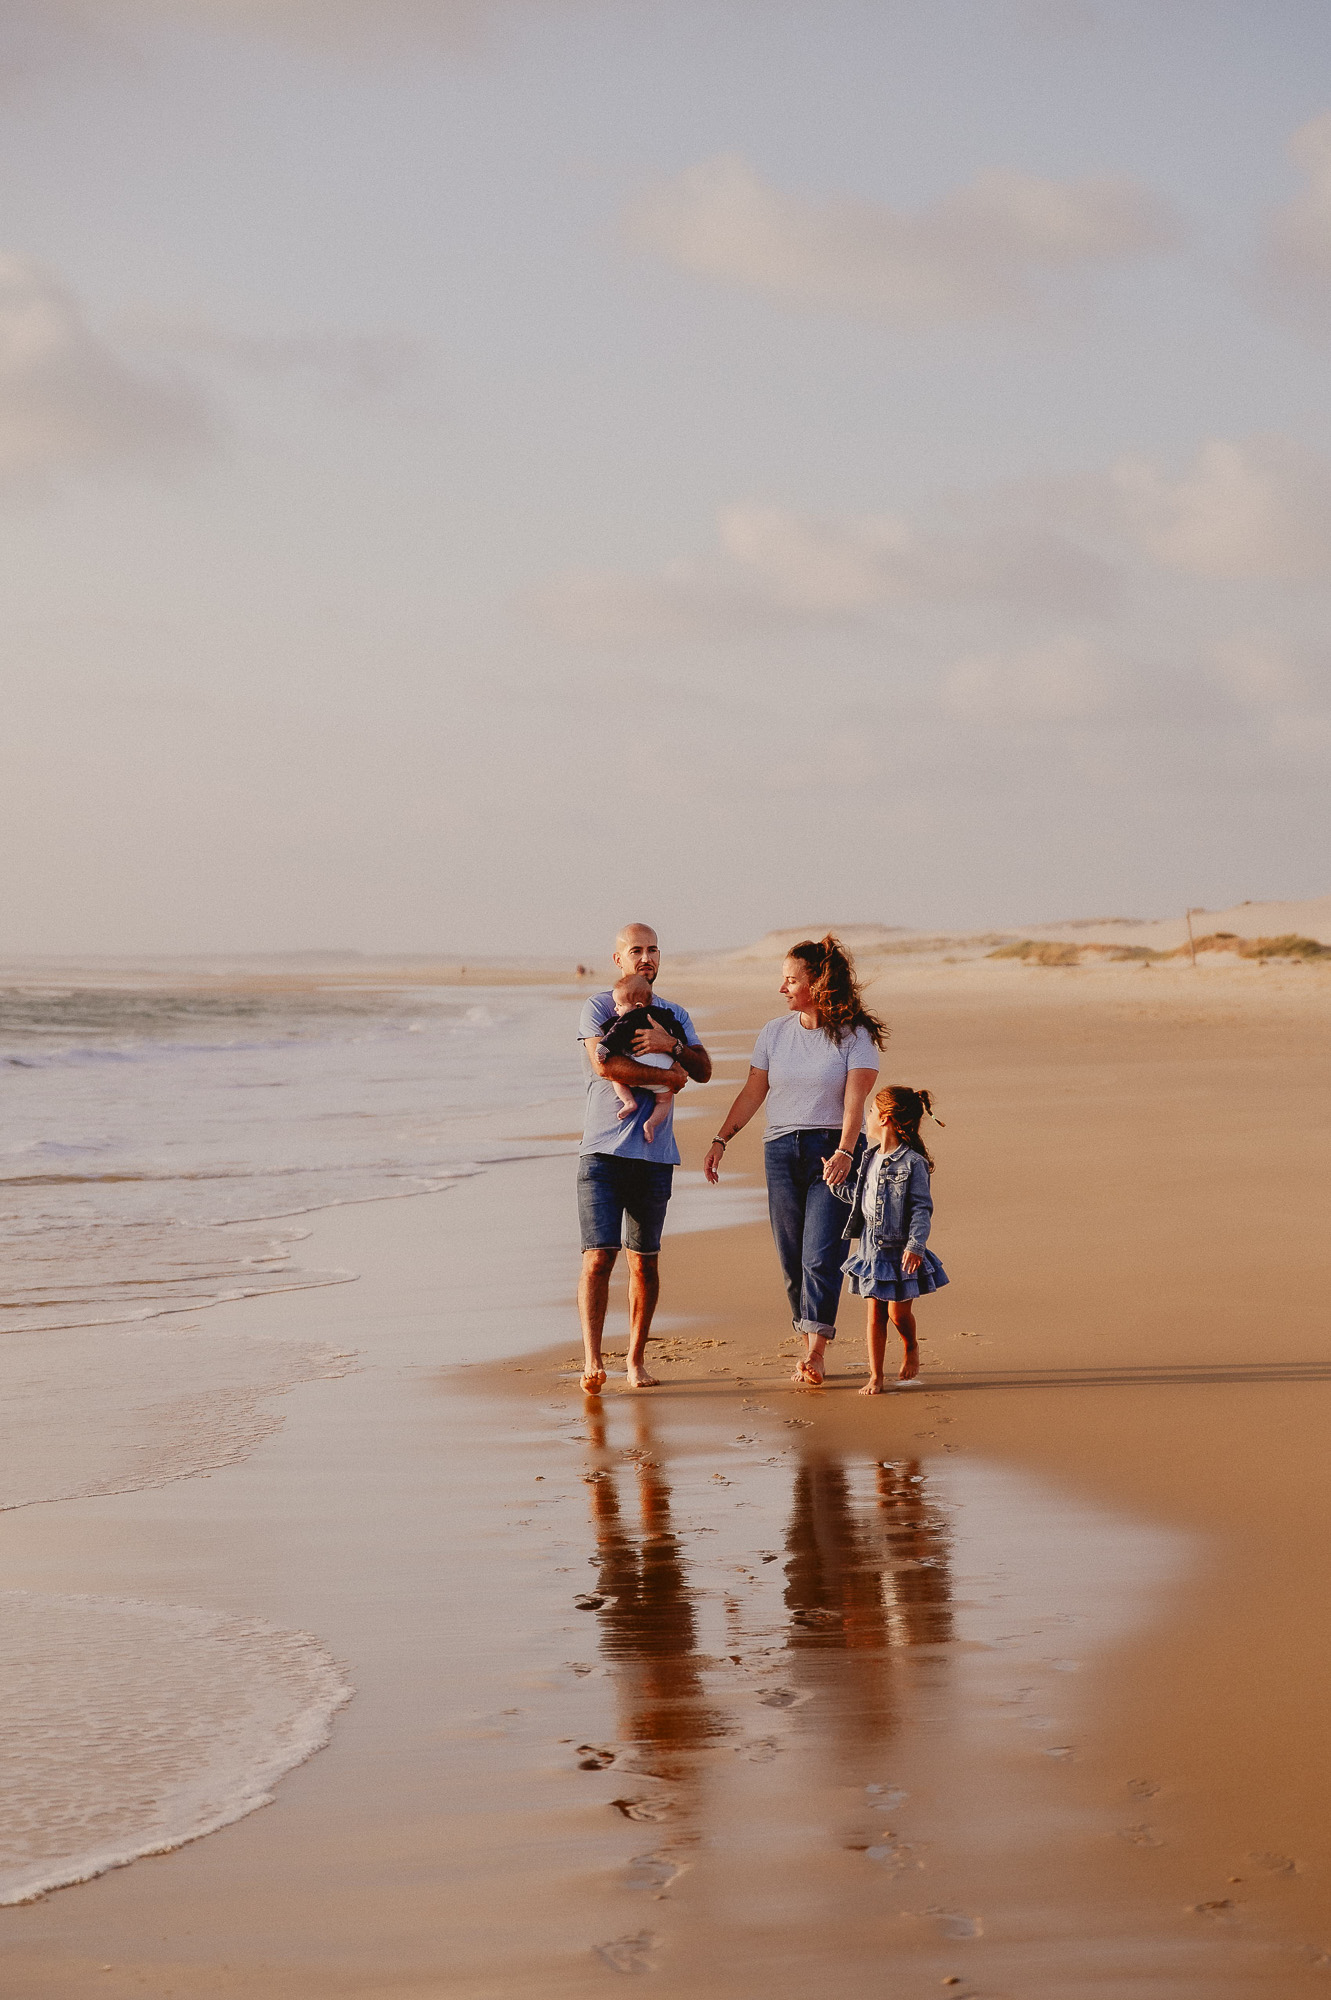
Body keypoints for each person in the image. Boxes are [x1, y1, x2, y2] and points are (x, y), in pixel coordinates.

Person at [703, 935, 884, 1386]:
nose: (782, 989)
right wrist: (721, 1138)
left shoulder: (854, 1036)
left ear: (818, 983)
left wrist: (845, 1151)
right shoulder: (773, 1033)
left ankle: (817, 1353)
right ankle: (807, 1344)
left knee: (821, 1254)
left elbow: (855, 1103)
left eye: (790, 980)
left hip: (834, 1151)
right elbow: (752, 1093)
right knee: (791, 1261)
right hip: (781, 1152)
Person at [577, 924, 713, 1395]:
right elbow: (606, 1063)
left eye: (653, 949)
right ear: (618, 959)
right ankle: (593, 1360)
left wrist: (670, 1049)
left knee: (645, 1262)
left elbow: (704, 1070)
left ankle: (635, 1360)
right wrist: (671, 1077)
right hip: (602, 1151)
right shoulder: (600, 1005)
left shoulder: (674, 1014)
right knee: (598, 1258)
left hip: (654, 1157)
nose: (646, 957)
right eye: (635, 950)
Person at [831, 1085, 949, 1394]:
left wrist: (916, 1245)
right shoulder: (868, 1157)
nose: (866, 1117)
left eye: (870, 1112)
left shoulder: (913, 1163)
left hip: (901, 1248)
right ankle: (876, 1376)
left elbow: (922, 1209)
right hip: (871, 1246)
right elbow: (859, 1198)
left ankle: (910, 1345)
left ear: (885, 1119)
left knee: (898, 1313)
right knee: (875, 1314)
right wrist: (834, 1181)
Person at [599, 973, 688, 1143]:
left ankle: (629, 1102)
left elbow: (615, 1034)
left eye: (619, 1005)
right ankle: (651, 1124)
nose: (616, 1009)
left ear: (638, 1006)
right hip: (665, 1065)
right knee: (664, 1101)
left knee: (616, 1077)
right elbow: (680, 1037)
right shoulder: (665, 1015)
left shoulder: (629, 1018)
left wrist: (603, 1048)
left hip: (639, 1062)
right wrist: (677, 1052)